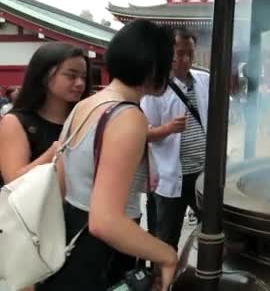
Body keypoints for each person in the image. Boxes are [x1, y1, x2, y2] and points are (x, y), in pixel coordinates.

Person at [38, 20, 177, 291]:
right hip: (101, 253)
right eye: (167, 62)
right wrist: (166, 254)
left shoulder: (85, 106)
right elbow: (105, 221)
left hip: (68, 237)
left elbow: (63, 183)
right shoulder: (128, 118)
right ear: (152, 65)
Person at [141, 27, 209, 250]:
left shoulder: (205, 81)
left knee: (211, 228)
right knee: (166, 238)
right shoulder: (156, 89)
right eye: (179, 53)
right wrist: (168, 129)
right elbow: (143, 133)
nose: (186, 59)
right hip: (172, 176)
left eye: (190, 53)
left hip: (203, 173)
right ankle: (164, 280)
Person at [0, 43, 89, 185]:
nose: (80, 83)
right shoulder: (15, 122)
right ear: (44, 75)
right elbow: (13, 182)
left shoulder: (85, 119)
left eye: (83, 77)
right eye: (71, 75)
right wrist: (55, 151)